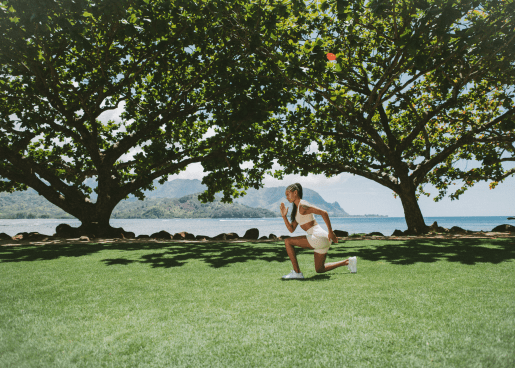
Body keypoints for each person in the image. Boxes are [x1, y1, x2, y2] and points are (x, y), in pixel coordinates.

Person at [280, 183, 357, 279]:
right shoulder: (297, 209)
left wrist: (331, 232)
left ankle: (297, 273)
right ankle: (348, 262)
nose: (286, 197)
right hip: (322, 239)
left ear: (295, 193)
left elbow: (323, 212)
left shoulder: (303, 205)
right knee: (319, 269)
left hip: (318, 236)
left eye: (288, 194)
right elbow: (291, 229)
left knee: (288, 241)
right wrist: (284, 216)